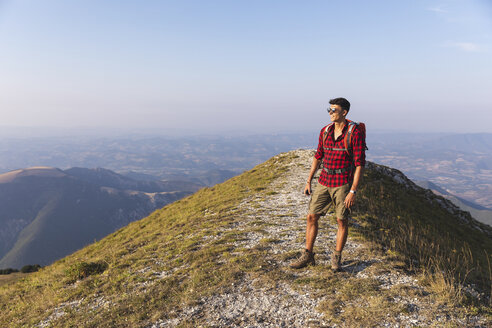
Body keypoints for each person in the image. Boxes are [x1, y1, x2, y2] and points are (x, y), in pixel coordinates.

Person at [290, 97, 366, 271]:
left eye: (334, 110)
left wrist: (353, 191)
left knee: (341, 220)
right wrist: (309, 180)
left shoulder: (354, 133)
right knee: (311, 216)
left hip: (343, 183)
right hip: (324, 180)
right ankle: (308, 255)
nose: (331, 113)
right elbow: (318, 157)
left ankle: (337, 258)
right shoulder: (325, 131)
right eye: (329, 110)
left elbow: (360, 164)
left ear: (344, 112)